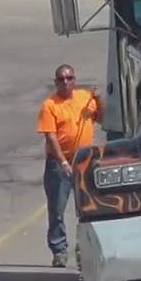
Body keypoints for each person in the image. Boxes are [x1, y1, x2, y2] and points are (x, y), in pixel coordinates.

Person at [37, 64, 101, 269]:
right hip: (60, 164)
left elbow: (103, 117)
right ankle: (59, 250)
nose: (65, 82)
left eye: (69, 78)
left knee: (89, 208)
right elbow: (51, 136)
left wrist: (100, 99)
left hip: (85, 161)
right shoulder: (50, 105)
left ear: (74, 80)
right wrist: (63, 162)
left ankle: (87, 249)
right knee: (57, 209)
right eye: (61, 79)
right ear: (56, 82)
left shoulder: (85, 98)